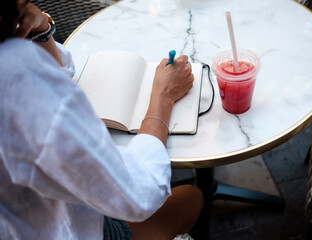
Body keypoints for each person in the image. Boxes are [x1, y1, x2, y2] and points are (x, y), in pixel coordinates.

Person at [0, 0, 204, 239]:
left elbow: (54, 71)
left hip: (35, 210)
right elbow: (138, 194)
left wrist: (41, 29)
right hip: (65, 228)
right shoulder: (14, 74)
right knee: (192, 198)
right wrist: (163, 96)